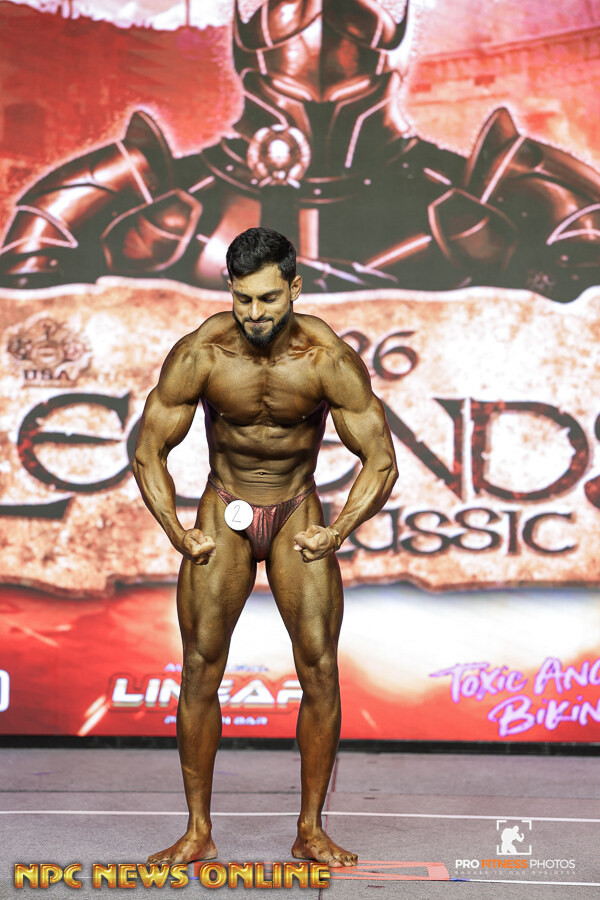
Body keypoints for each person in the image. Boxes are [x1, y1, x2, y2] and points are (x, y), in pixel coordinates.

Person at [132, 226, 398, 868]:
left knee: (320, 669)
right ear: (230, 289)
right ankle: (197, 831)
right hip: (224, 507)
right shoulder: (203, 352)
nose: (254, 313)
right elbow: (149, 450)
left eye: (269, 299)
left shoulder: (325, 358)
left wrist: (337, 531)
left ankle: (310, 830)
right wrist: (176, 530)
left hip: (296, 508)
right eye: (243, 298)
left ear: (294, 288)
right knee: (200, 667)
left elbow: (381, 460)